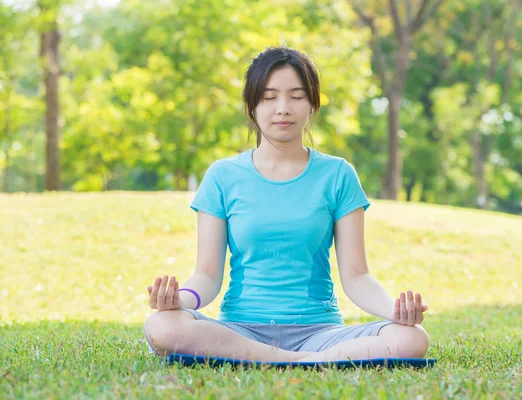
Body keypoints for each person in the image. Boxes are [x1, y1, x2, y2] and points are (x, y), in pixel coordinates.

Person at [143, 46, 429, 363]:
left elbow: (357, 276)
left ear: (312, 105)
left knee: (411, 338)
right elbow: (207, 276)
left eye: (296, 96)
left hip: (319, 334)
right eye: (269, 97)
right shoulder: (222, 176)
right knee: (162, 325)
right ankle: (294, 360)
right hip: (241, 331)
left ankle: (283, 358)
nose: (283, 108)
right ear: (252, 105)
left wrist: (395, 311)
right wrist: (179, 300)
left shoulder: (338, 175)